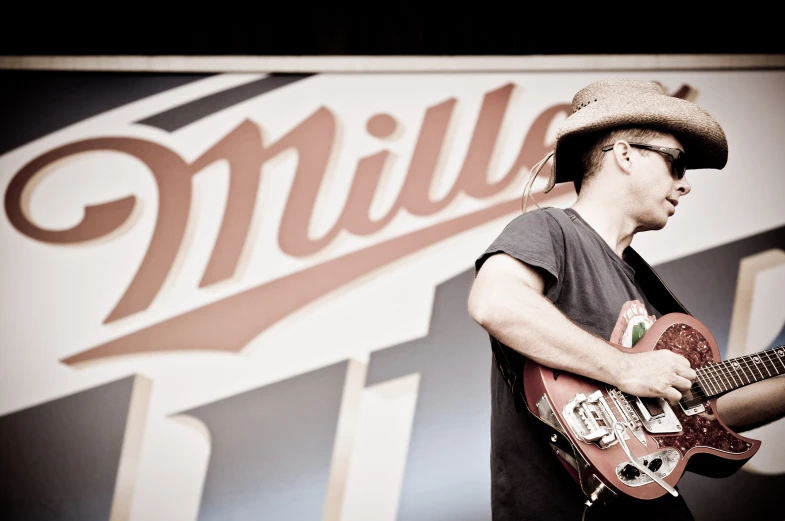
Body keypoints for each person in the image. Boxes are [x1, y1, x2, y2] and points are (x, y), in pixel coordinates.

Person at [467, 79, 785, 520]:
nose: (685, 184)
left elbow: (700, 409)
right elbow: (495, 303)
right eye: (676, 163)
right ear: (625, 154)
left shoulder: (649, 293)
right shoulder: (550, 230)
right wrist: (625, 368)